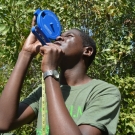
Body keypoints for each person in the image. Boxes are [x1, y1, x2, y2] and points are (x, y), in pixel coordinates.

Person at [0, 17, 121, 135]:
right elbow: (3, 123)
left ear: (87, 51)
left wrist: (50, 71)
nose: (58, 37)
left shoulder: (104, 92)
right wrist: (26, 53)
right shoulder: (44, 91)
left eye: (69, 36)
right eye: (60, 35)